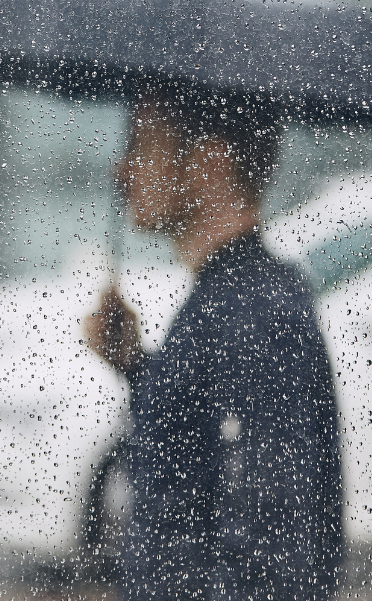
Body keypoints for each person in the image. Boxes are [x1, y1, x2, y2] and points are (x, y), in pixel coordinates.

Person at [85, 87, 343, 601]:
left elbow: (274, 530)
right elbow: (196, 459)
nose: (121, 172)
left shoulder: (252, 312)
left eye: (142, 145)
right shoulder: (232, 299)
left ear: (210, 161)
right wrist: (135, 364)